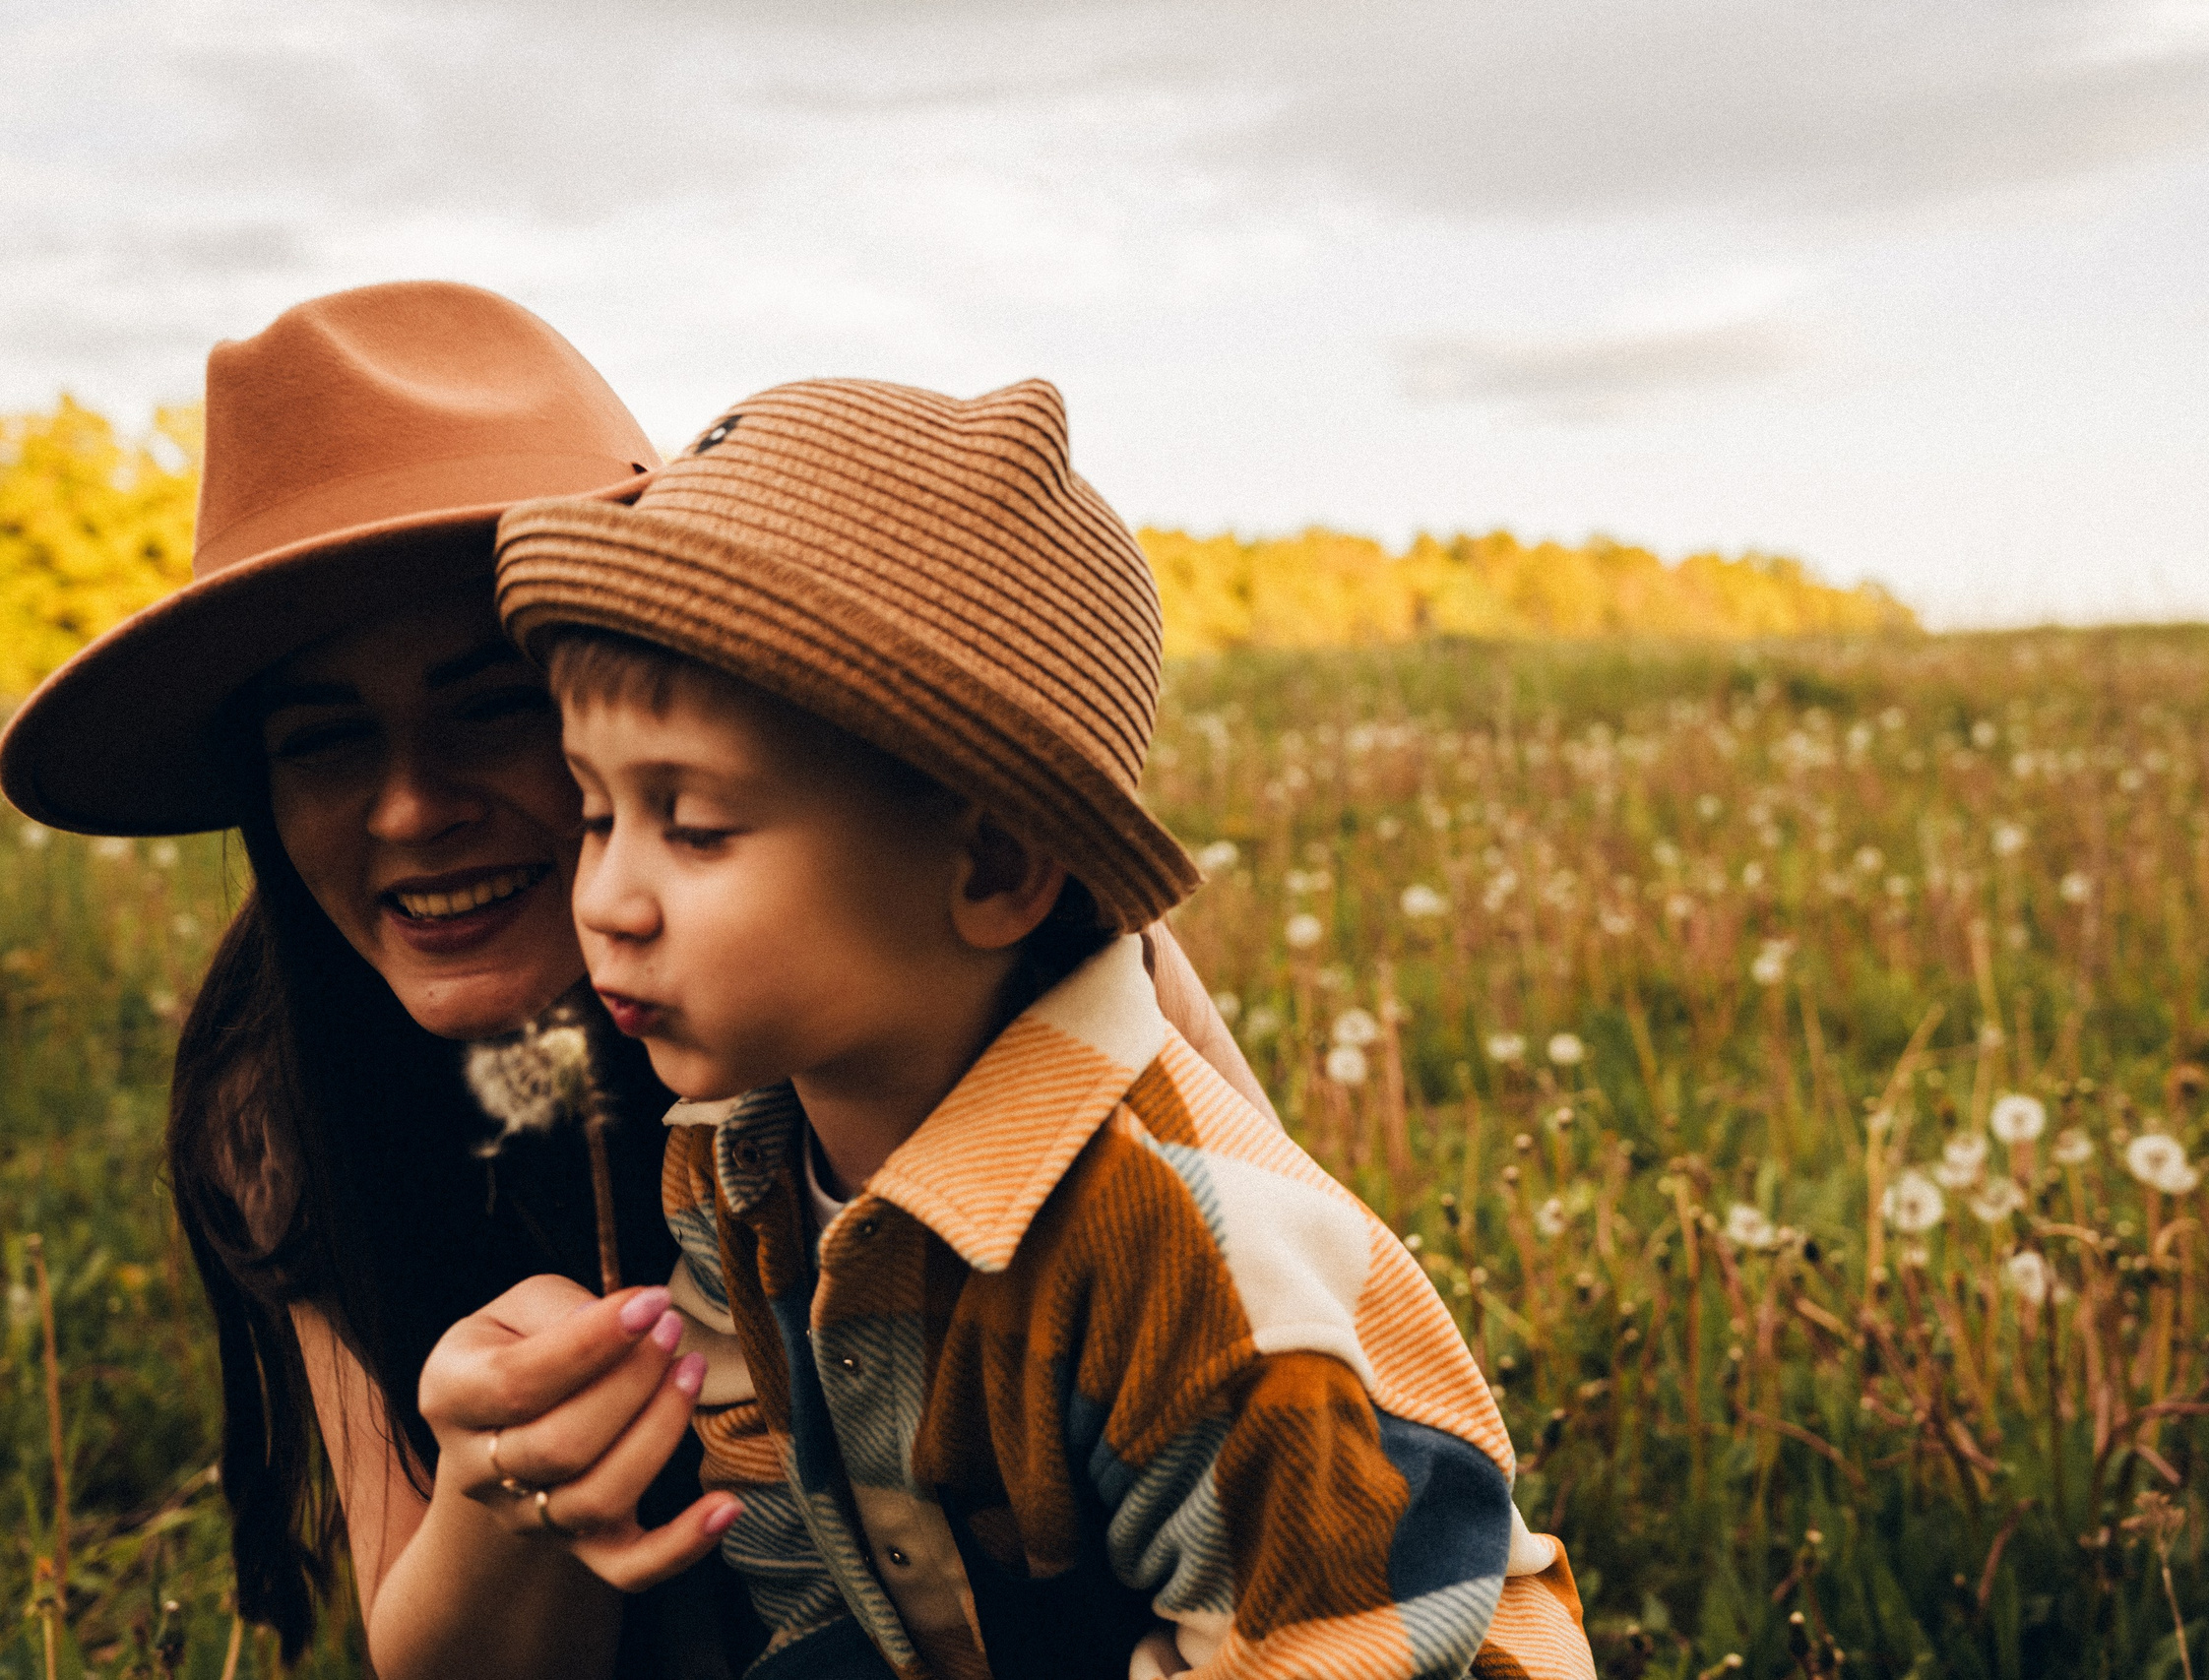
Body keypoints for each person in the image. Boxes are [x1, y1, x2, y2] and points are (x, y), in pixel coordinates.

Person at [0, 285, 1268, 1680]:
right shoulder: (285, 1087)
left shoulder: (969, 945)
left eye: (495, 705)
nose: (410, 810)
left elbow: (1303, 1359)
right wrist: (501, 1498)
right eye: (324, 741)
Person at [488, 376, 1596, 1679]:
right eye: (596, 814)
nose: (607, 901)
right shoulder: (730, 1161)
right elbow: (785, 1517)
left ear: (997, 866)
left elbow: (1329, 1642)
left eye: (696, 826)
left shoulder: (1190, 1251)